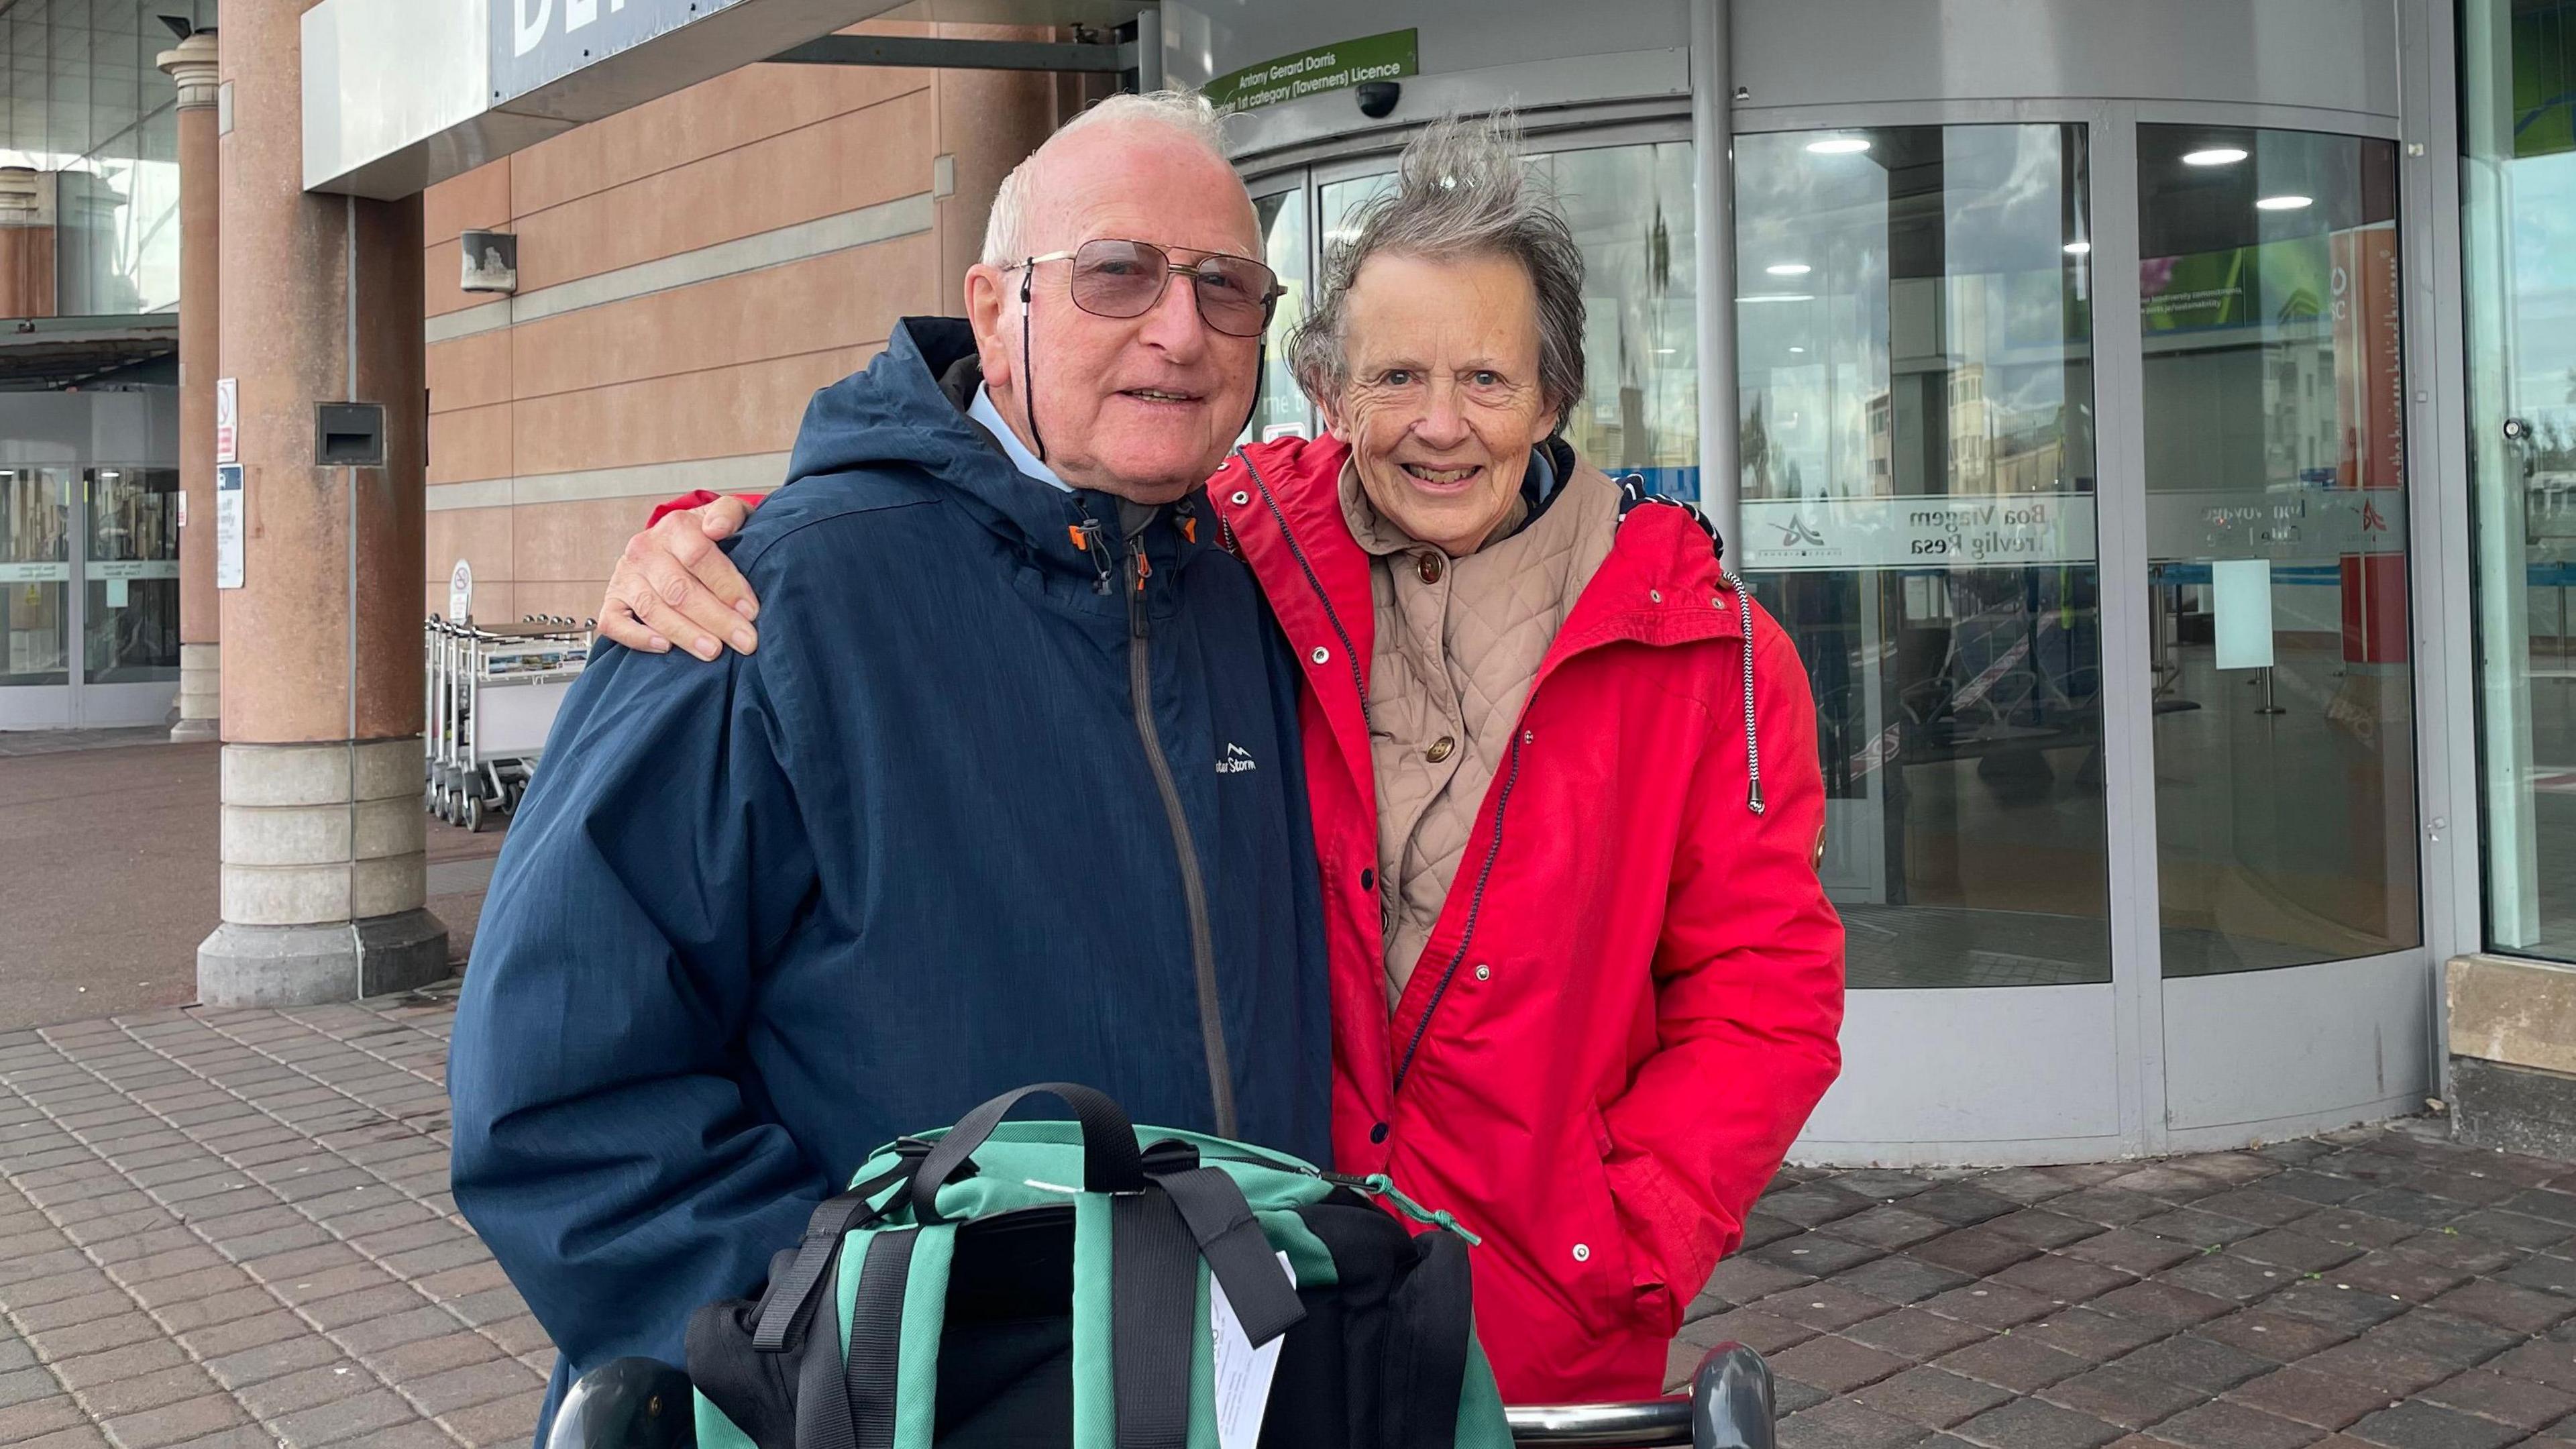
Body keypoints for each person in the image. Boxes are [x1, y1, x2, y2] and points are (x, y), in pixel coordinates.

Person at [605, 115, 1845, 1402]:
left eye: (1487, 380)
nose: (1439, 427)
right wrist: (704, 546)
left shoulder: (1705, 651)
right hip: (1271, 1313)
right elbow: (1002, 519)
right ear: (1324, 387)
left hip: (1543, 1324)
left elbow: (1766, 991)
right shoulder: (1248, 551)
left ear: (1554, 392)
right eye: (1393, 377)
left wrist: (1623, 1239)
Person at [447, 91, 1334, 1441]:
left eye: (1227, 287)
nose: (1178, 329)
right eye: (1119, 275)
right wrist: (856, 1358)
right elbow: (560, 1091)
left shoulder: (1254, 602)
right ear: (993, 311)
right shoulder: (771, 601)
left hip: (1214, 1390)